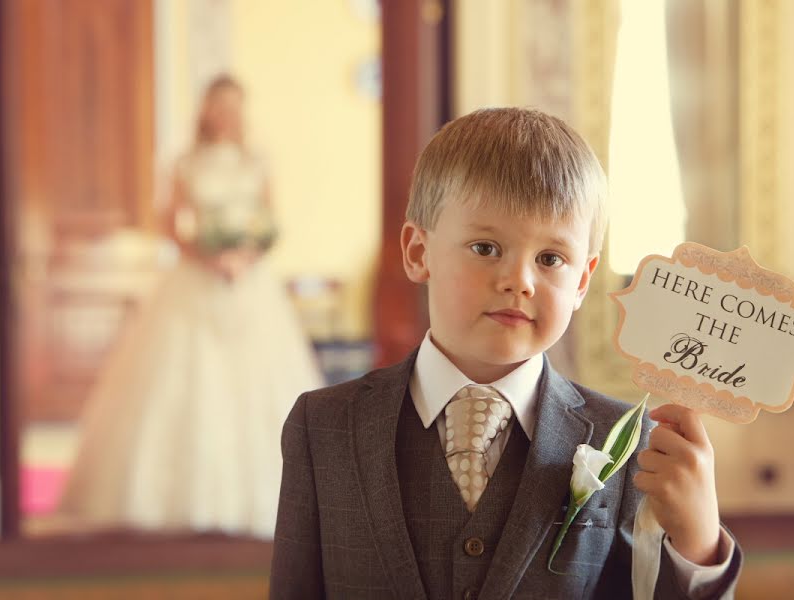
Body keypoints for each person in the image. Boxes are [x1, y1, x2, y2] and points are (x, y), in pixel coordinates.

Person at [270, 108, 742, 597]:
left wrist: (699, 544)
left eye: (550, 259)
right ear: (417, 252)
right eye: (486, 248)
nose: (519, 280)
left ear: (581, 281)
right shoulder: (321, 427)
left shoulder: (625, 442)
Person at [57, 75, 323, 537]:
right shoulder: (185, 163)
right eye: (218, 106)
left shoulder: (258, 162)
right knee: (181, 378)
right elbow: (169, 224)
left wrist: (244, 256)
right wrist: (209, 255)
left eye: (234, 106)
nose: (226, 115)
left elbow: (269, 221)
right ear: (206, 111)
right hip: (196, 279)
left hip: (250, 284)